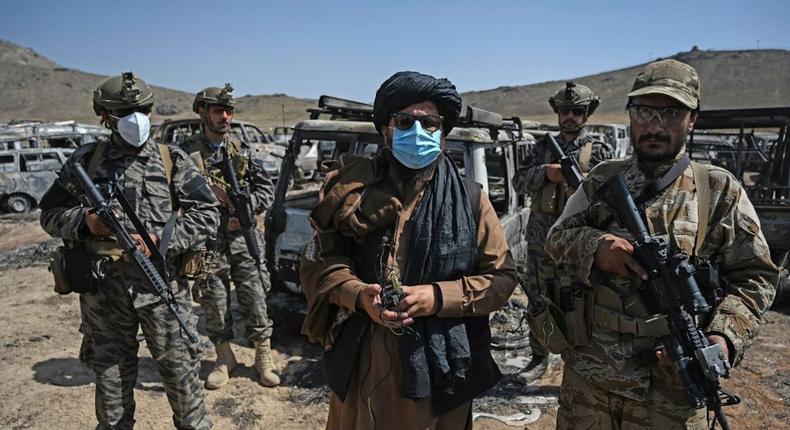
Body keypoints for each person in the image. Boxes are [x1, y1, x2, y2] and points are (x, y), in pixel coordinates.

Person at [545, 59, 778, 429]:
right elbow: (555, 239)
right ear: (630, 115)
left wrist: (723, 338)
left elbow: (757, 277)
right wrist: (596, 247)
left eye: (670, 113)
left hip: (672, 391)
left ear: (692, 119)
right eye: (643, 111)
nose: (654, 125)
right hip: (591, 379)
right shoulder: (603, 180)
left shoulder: (718, 190)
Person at [299, 71, 518, 429]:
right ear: (386, 129)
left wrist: (437, 296)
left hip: (438, 366)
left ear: (442, 132)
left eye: (429, 122)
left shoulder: (471, 200)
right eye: (405, 122)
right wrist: (357, 295)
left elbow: (501, 278)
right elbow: (318, 262)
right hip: (364, 358)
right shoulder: (352, 192)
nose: (417, 132)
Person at [39, 72, 218, 429]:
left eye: (142, 110)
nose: (136, 119)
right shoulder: (86, 162)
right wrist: (84, 221)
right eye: (124, 112)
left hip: (162, 289)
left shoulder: (172, 160)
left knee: (183, 383)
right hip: (104, 296)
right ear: (104, 117)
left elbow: (207, 214)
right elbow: (50, 215)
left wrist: (162, 241)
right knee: (111, 391)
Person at [179, 83, 279, 389]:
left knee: (255, 297)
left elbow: (267, 191)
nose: (225, 117)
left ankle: (263, 358)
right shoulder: (185, 155)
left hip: (242, 239)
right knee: (213, 302)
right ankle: (224, 358)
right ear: (202, 112)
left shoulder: (244, 152)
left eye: (229, 111)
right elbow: (174, 197)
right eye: (218, 110)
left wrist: (243, 208)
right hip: (207, 241)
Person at [512, 81, 612, 381]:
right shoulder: (543, 148)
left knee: (580, 302)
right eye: (565, 111)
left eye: (577, 112)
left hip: (577, 241)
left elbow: (609, 197)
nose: (570, 117)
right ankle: (538, 357)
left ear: (586, 114)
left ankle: (580, 360)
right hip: (541, 239)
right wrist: (547, 173)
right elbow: (518, 181)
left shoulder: (599, 150)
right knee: (539, 299)